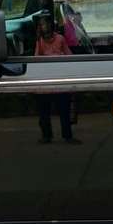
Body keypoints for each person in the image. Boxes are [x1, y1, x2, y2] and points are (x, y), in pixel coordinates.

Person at [34, 15, 79, 144]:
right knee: (44, 112)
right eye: (43, 25)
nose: (45, 27)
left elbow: (69, 56)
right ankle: (46, 136)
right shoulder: (39, 41)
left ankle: (67, 136)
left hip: (59, 79)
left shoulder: (60, 39)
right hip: (46, 81)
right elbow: (36, 59)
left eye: (47, 24)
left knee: (64, 110)